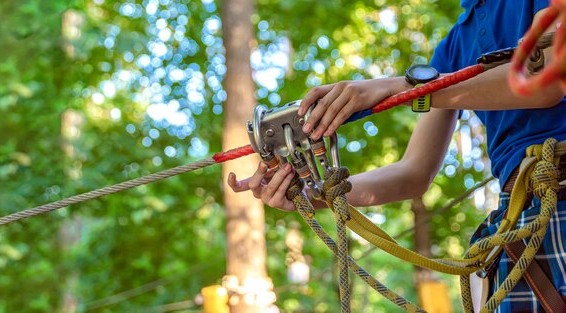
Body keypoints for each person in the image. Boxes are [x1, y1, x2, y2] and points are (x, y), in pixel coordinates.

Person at [228, 0, 566, 312]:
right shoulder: (453, 47)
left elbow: (548, 78)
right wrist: (314, 193)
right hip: (523, 216)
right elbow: (413, 173)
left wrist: (403, 88)